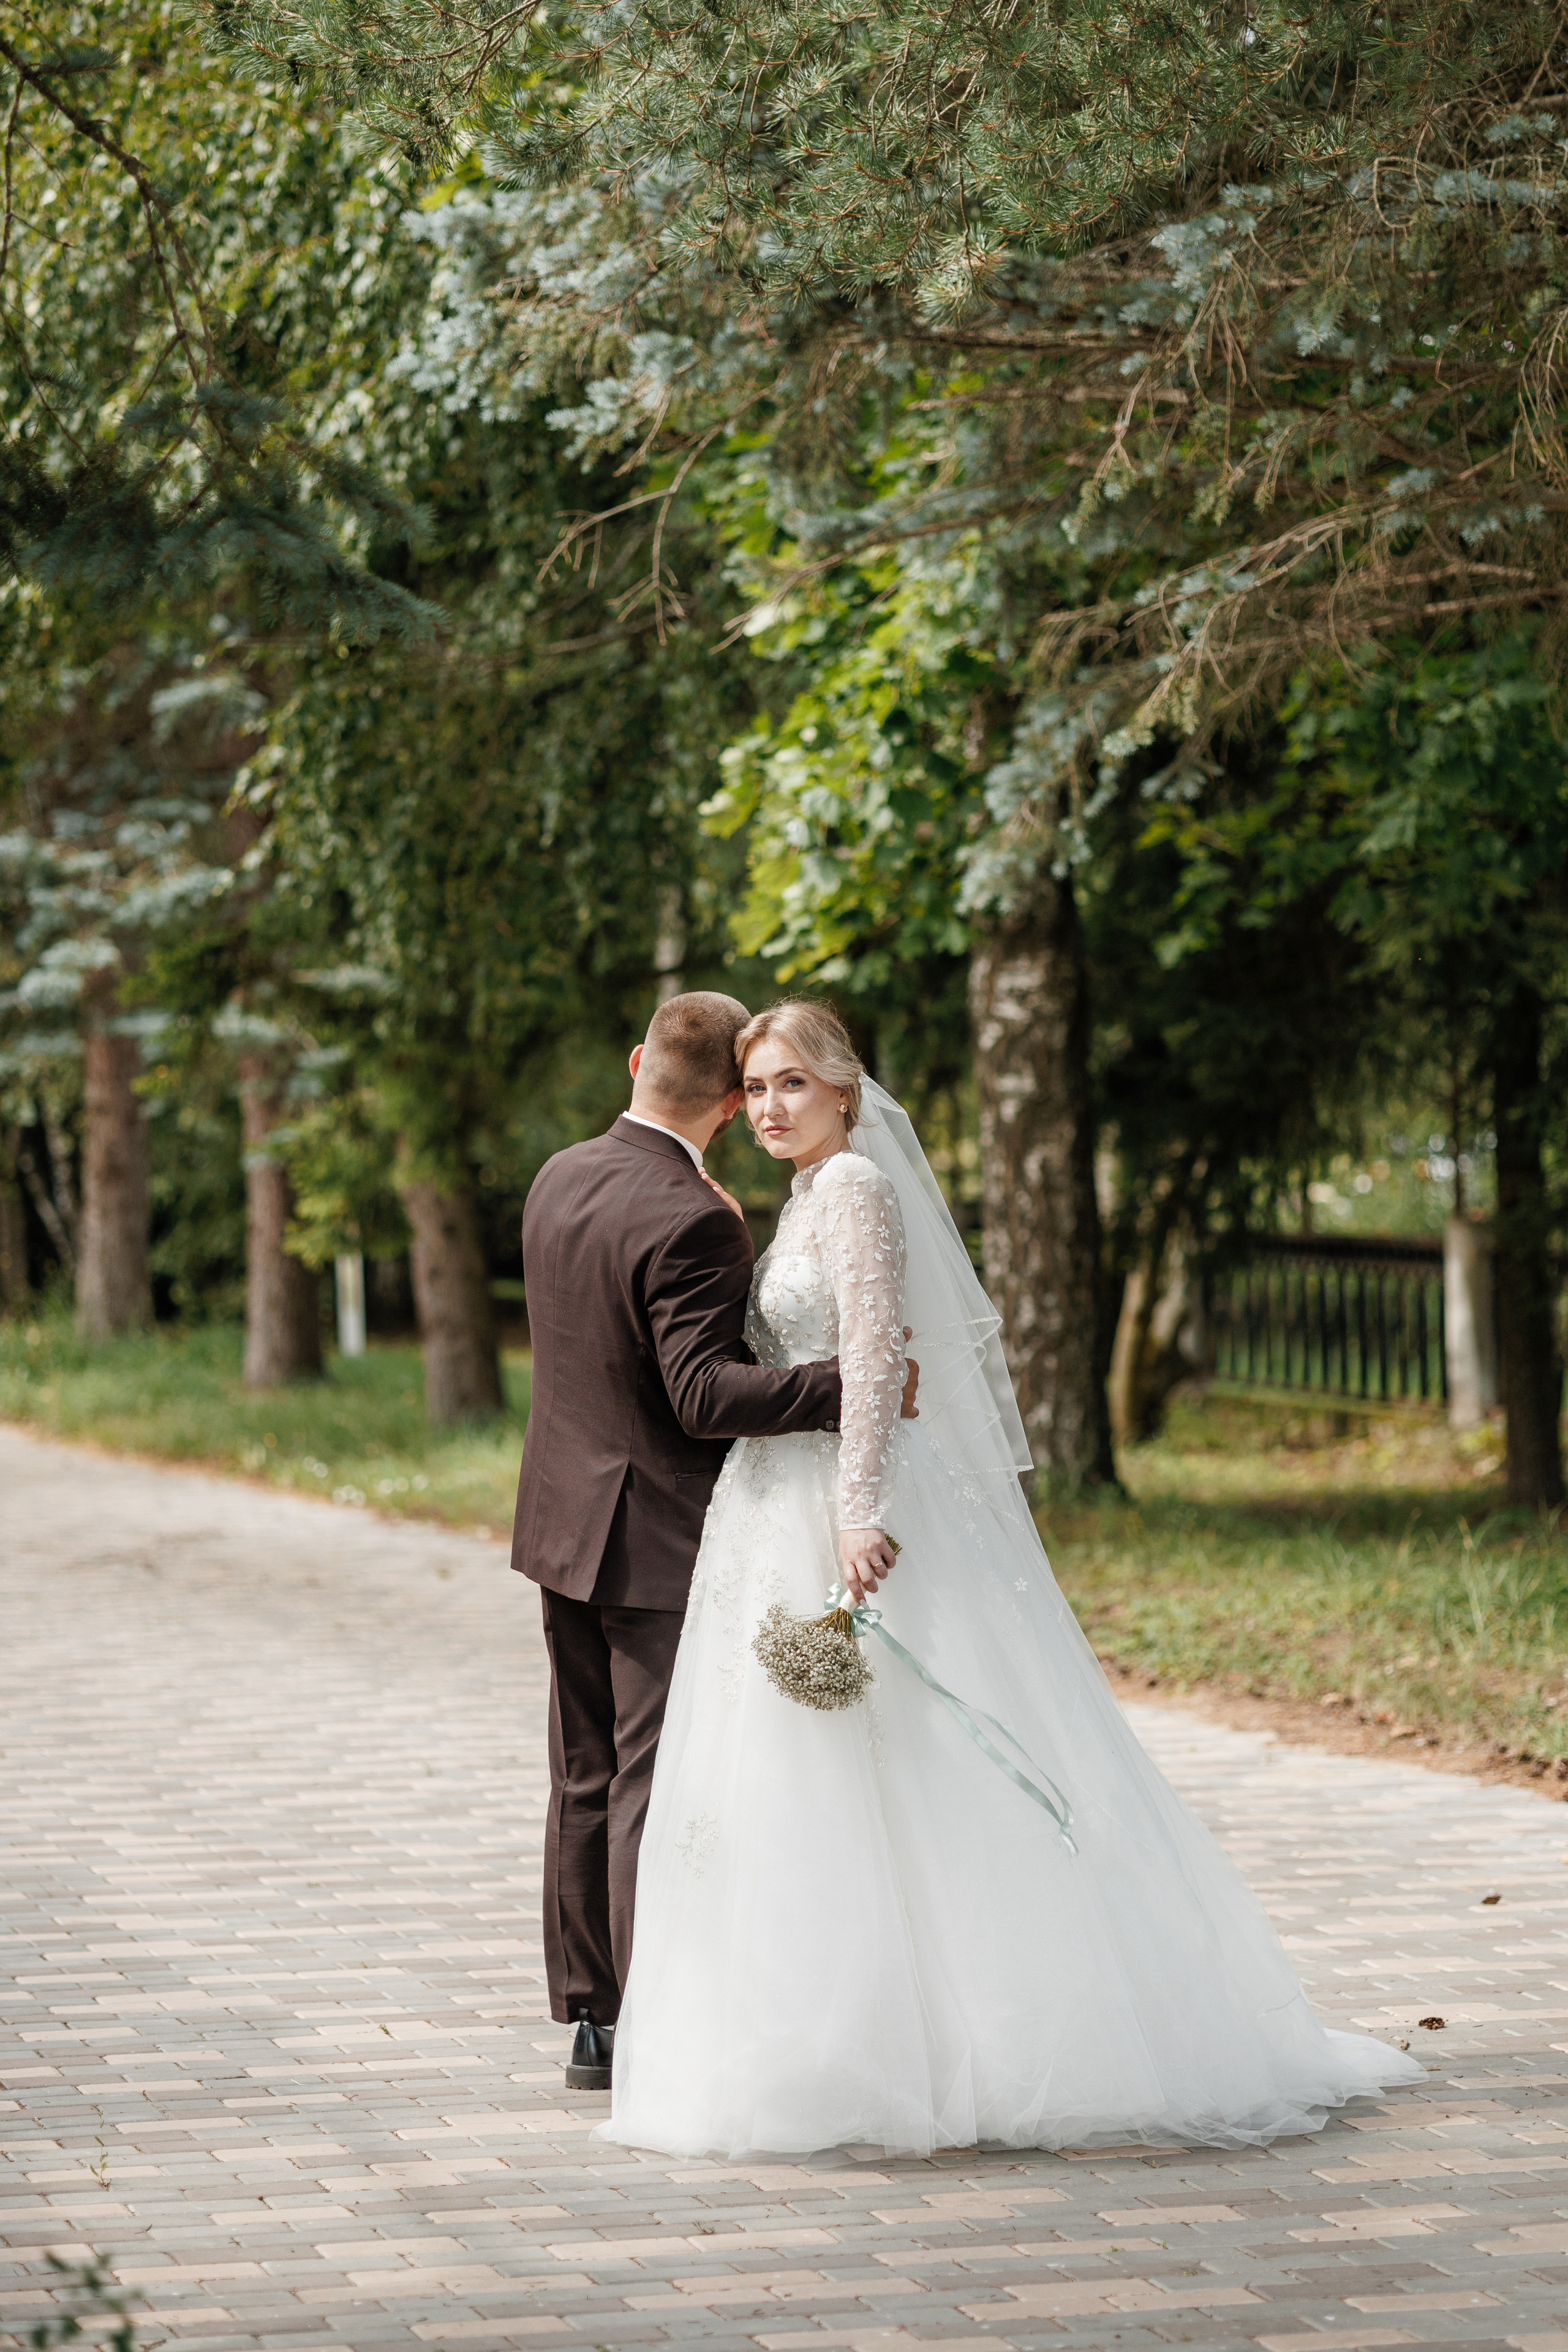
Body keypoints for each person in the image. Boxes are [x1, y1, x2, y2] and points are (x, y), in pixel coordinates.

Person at [599, 998, 1425, 2158]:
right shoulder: (801, 1199)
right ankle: (813, 2040)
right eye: (760, 1087)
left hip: (840, 1501)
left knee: (894, 1763)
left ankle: (951, 2043)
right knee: (798, 1773)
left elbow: (882, 1357)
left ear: (844, 1089)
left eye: (795, 1084)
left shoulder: (860, 1194)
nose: (774, 1107)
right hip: (770, 1502)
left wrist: (860, 1515)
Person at [510, 990, 918, 2090]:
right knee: (649, 1777)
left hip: (557, 1525)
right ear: (735, 1103)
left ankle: (591, 2016)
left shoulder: (559, 1176)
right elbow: (701, 1395)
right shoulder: (696, 1214)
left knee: (583, 1774)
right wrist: (852, 1384)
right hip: (649, 1535)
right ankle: (646, 2022)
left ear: (637, 1060)